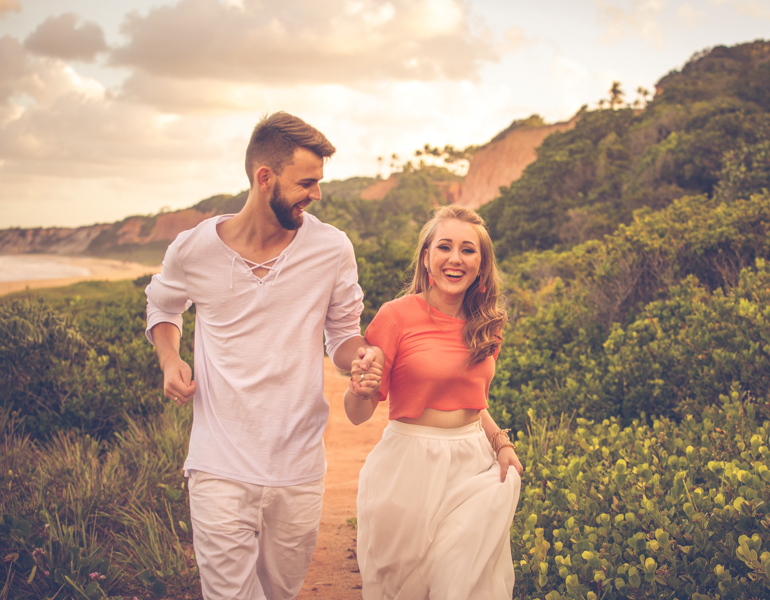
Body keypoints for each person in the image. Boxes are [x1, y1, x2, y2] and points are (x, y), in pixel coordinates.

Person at [144, 111, 382, 600]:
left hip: (298, 464)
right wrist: (170, 358)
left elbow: (342, 336)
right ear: (264, 177)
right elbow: (163, 304)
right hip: (218, 463)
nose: (316, 193)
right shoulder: (194, 250)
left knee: (279, 592)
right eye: (307, 182)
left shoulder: (331, 248)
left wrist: (362, 360)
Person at [343, 205, 523, 600]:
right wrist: (358, 390)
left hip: (472, 464)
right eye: (444, 247)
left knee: (465, 584)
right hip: (409, 467)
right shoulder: (395, 316)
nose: (455, 258)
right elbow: (358, 414)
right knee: (406, 587)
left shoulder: (488, 324)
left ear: (482, 264)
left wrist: (502, 444)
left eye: (468, 250)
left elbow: (473, 403)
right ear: (427, 257)